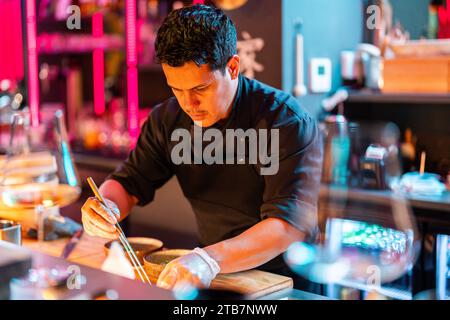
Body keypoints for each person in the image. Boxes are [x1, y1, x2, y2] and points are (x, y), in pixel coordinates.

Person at [81, 4, 323, 291]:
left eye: (200, 89)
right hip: (215, 276)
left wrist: (208, 259)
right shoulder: (168, 119)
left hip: (286, 282)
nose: (188, 104)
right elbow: (129, 182)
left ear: (233, 68)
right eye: (177, 89)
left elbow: (287, 226)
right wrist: (106, 205)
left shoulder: (285, 121)